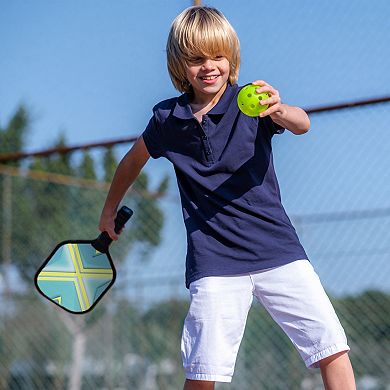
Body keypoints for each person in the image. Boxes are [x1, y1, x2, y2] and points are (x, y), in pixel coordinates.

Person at [99, 6, 356, 390]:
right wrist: (108, 210)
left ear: (231, 59)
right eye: (196, 58)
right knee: (203, 372)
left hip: (279, 252)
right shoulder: (167, 120)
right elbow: (130, 163)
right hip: (214, 263)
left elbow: (302, 124)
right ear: (179, 64)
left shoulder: (251, 102)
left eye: (217, 56)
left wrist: (280, 109)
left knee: (331, 349)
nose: (209, 66)